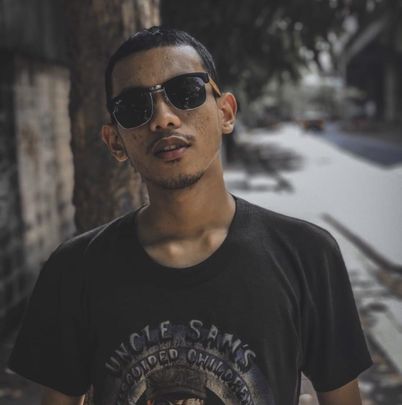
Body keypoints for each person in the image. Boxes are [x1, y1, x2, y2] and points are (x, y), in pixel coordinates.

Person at [8, 26, 372, 405]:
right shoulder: (74, 269)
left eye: (186, 92)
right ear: (115, 141)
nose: (163, 118)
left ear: (225, 112)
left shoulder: (307, 256)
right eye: (134, 107)